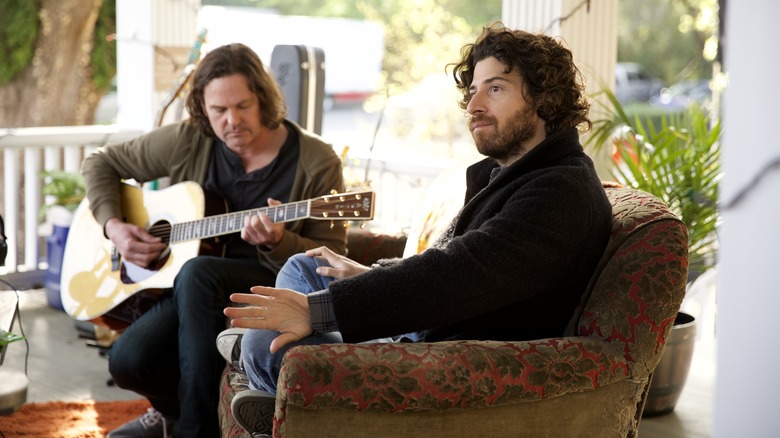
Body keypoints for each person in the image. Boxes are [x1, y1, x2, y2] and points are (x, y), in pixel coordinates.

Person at [220, 23, 613, 436]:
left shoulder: (561, 193)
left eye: (495, 89)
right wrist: (369, 275)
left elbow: (458, 274)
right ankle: (266, 365)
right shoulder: (516, 175)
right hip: (430, 323)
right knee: (306, 265)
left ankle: (265, 373)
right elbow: (446, 261)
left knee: (266, 342)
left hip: (447, 359)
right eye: (473, 90)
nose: (473, 105)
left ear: (546, 99)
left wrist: (315, 311)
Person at [80, 43, 347, 437]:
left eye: (242, 106)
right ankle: (169, 413)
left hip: (267, 284)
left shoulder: (316, 160)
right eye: (218, 111)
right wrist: (114, 227)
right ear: (203, 109)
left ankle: (195, 429)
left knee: (199, 271)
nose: (232, 121)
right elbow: (99, 161)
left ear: (264, 99)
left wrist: (278, 241)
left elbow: (329, 262)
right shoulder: (190, 140)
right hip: (189, 285)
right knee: (127, 360)